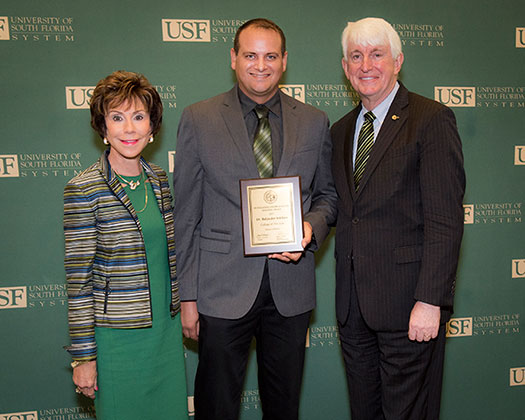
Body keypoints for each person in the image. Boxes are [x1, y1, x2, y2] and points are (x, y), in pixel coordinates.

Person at [174, 18, 337, 420]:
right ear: (233, 58)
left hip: (290, 290)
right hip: (220, 288)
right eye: (250, 55)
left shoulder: (314, 121)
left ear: (284, 62)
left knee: (283, 408)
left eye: (269, 56)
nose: (259, 65)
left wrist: (310, 227)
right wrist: (188, 297)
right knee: (217, 407)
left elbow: (328, 196)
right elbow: (186, 213)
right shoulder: (199, 117)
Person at [331, 17, 465, 420]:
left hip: (410, 307)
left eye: (377, 54)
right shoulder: (339, 131)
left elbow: (445, 219)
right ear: (344, 66)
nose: (366, 65)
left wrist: (430, 300)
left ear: (398, 61)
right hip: (353, 310)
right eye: (356, 55)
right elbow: (341, 211)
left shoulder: (430, 118)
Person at [64, 70, 188, 419]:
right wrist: (84, 357)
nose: (129, 129)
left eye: (138, 117)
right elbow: (79, 282)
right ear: (103, 128)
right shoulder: (84, 189)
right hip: (117, 344)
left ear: (152, 127)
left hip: (164, 335)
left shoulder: (159, 180)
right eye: (117, 118)